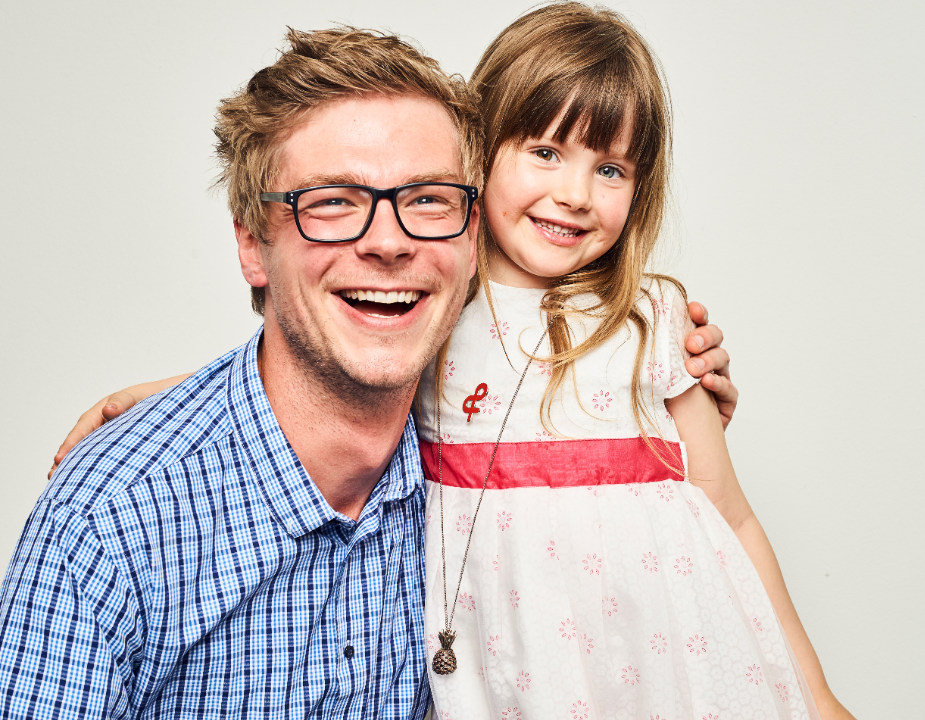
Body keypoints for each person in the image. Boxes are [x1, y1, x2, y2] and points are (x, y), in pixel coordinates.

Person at [1, 21, 733, 720]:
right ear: (253, 245)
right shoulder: (108, 527)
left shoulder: (477, 478)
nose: (388, 242)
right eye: (333, 203)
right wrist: (174, 412)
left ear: (471, 235)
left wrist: (660, 398)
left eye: (426, 200)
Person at [413, 5, 854, 720]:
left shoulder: (650, 318)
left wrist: (818, 692)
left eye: (610, 168)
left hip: (664, 662)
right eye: (545, 152)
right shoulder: (425, 310)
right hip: (503, 668)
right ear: (481, 147)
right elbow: (292, 381)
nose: (576, 195)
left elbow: (732, 514)